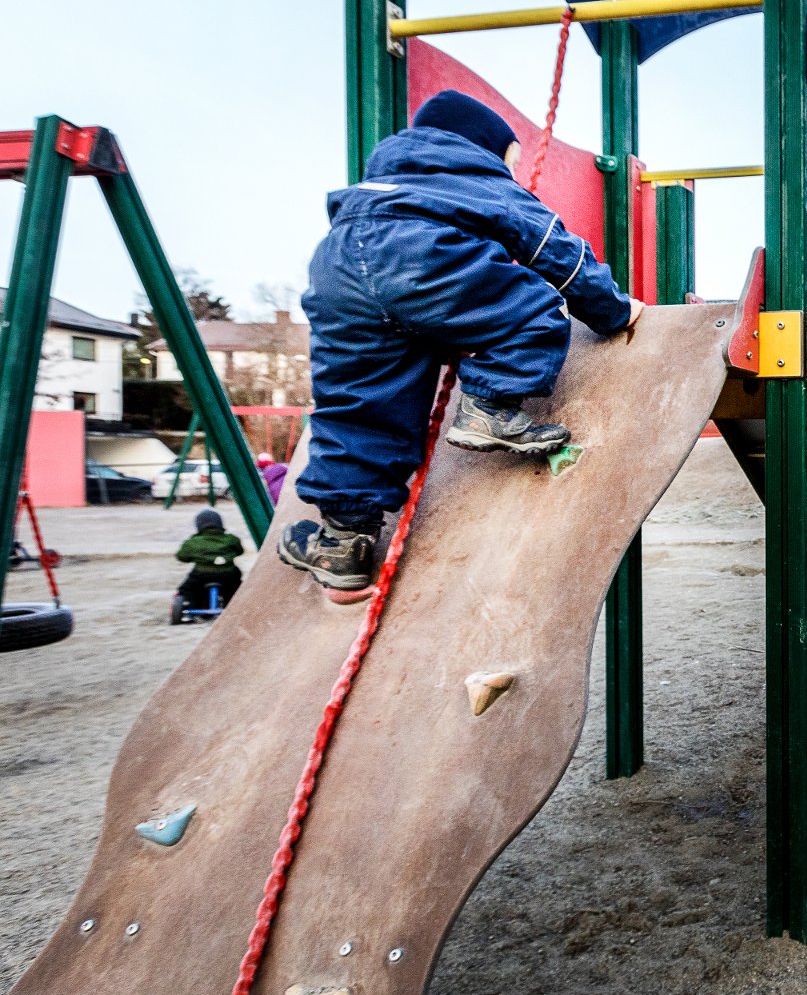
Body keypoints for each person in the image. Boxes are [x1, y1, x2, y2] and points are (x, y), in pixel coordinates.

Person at [278, 89, 643, 591]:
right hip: (422, 258)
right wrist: (613, 310)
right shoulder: (479, 177)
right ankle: (490, 406)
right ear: (483, 147)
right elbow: (554, 249)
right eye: (510, 160)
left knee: (359, 400)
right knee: (531, 308)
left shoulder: (376, 184)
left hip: (337, 268)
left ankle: (343, 541)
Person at [174, 508, 244, 616]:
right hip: (228, 574)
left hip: (201, 575)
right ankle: (232, 606)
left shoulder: (192, 542)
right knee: (235, 588)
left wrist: (195, 557)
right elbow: (239, 551)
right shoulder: (231, 539)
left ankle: (194, 608)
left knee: (187, 589)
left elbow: (182, 557)